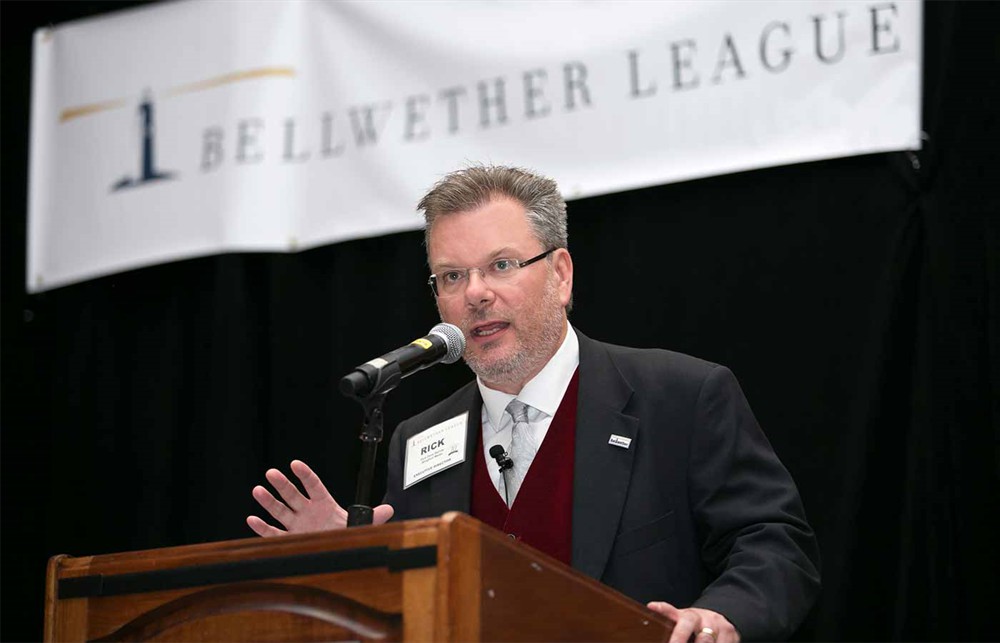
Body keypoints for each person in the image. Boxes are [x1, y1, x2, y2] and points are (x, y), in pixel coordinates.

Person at [248, 165, 821, 643]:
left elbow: (773, 544)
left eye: (501, 265)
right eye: (451, 275)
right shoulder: (418, 438)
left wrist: (720, 616)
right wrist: (351, 560)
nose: (475, 293)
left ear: (561, 275)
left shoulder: (681, 397)